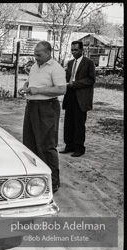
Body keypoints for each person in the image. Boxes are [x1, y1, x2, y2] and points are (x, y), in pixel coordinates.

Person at [18, 41, 67, 193]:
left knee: (46, 144)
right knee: (30, 143)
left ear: (48, 53)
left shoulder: (55, 68)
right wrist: (25, 87)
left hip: (47, 108)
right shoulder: (34, 66)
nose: (36, 57)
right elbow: (31, 81)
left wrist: (37, 90)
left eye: (39, 55)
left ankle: (53, 181)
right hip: (32, 107)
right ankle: (36, 179)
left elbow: (61, 89)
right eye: (35, 54)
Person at [60, 41, 95, 157]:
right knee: (68, 121)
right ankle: (69, 145)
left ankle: (79, 148)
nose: (74, 52)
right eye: (72, 50)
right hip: (70, 94)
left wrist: (75, 84)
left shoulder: (89, 63)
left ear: (82, 50)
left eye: (76, 50)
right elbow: (67, 77)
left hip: (81, 97)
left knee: (79, 123)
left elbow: (91, 80)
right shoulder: (70, 63)